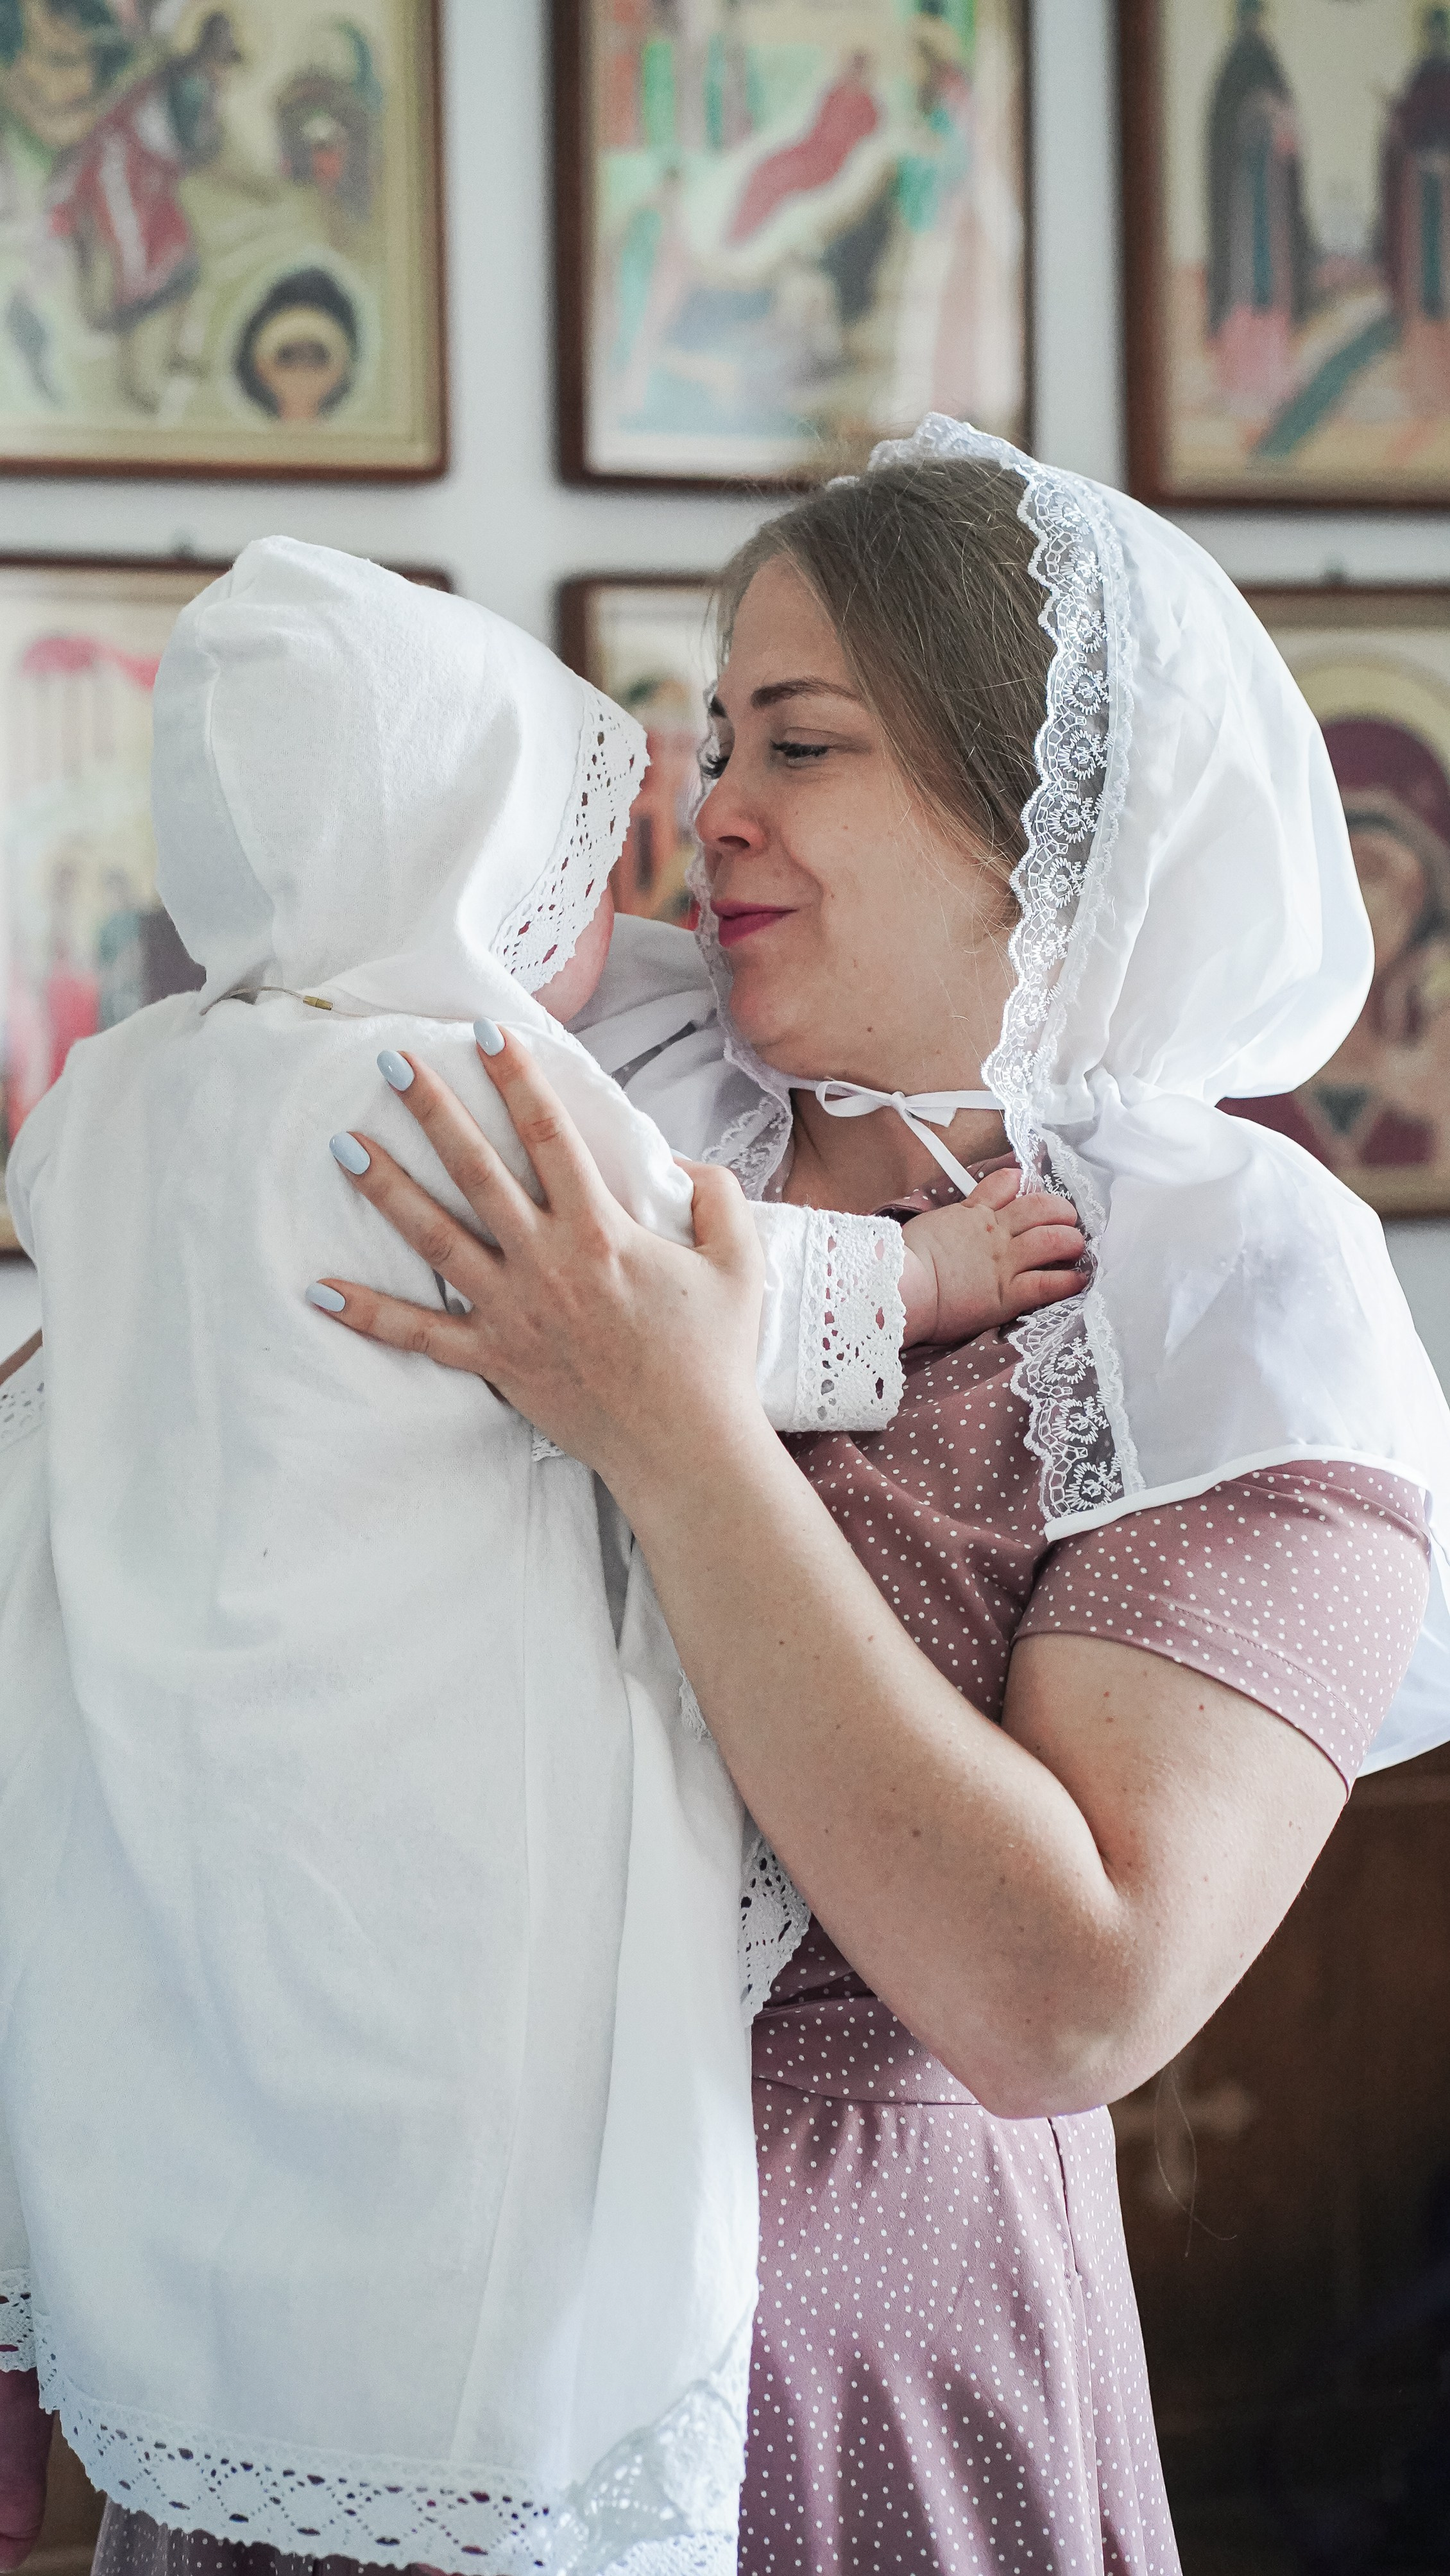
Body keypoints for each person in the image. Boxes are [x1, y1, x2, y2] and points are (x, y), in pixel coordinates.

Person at [276, 418, 1450, 2573]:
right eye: (720, 736)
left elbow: (1062, 1996)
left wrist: (675, 1432)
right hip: (340, 2350)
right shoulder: (572, 1110)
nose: (710, 805)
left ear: (1037, 824)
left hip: (827, 2402)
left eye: (799, 745)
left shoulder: (1222, 1294)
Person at [0, 534, 1084, 2575]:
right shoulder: (468, 1090)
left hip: (193, 1749)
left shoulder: (120, 1090)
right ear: (458, 879)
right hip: (428, 1750)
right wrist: (929, 1273)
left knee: (218, 2105)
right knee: (476, 2143)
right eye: (576, 877)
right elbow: (703, 1296)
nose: (634, 912)